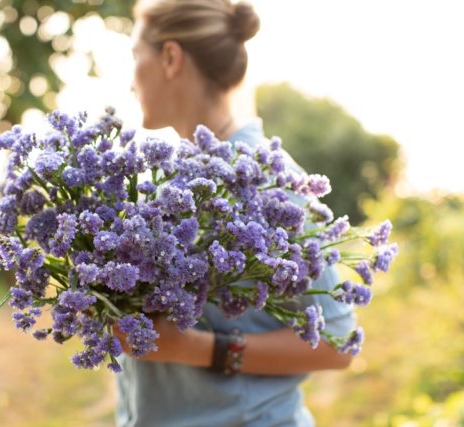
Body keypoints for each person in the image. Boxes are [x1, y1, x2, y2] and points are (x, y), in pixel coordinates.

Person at [114, 1, 355, 425]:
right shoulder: (170, 186)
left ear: (170, 58)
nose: (130, 81)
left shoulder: (273, 184)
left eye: (136, 56)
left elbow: (340, 342)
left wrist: (194, 348)